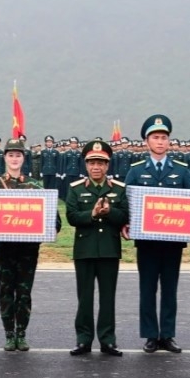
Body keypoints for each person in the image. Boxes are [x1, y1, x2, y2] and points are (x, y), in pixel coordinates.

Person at [0, 138, 60, 351]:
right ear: (4, 158)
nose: (14, 159)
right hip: (4, 248)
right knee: (5, 290)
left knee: (24, 292)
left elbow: (54, 218)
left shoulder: (36, 185)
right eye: (10, 155)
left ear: (24, 158)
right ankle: (9, 334)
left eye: (18, 155)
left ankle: (22, 333)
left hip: (28, 249)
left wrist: (50, 228)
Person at [123, 114, 190, 353]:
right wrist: (125, 223)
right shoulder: (135, 171)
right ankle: (150, 336)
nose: (160, 141)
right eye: (155, 137)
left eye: (164, 137)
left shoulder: (182, 171)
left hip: (173, 242)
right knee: (147, 288)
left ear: (169, 142)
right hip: (146, 242)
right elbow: (126, 203)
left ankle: (167, 334)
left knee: (169, 289)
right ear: (147, 141)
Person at [66, 140, 128, 356]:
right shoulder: (76, 189)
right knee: (84, 298)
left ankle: (108, 340)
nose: (96, 167)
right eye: (92, 162)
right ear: (86, 165)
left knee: (107, 297)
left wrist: (110, 212)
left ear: (107, 166)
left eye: (101, 163)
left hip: (109, 250)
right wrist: (91, 215)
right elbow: (71, 217)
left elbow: (125, 216)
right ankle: (83, 340)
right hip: (84, 250)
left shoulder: (119, 189)